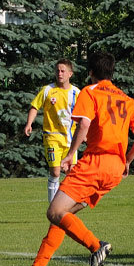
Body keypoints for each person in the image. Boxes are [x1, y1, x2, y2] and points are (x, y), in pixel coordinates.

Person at [17, 51, 134, 266]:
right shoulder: (126, 99)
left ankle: (96, 245)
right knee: (64, 214)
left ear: (90, 72)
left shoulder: (89, 92)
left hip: (94, 163)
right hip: (115, 169)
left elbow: (84, 124)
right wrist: (127, 160)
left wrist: (70, 154)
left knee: (55, 211)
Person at [24, 59, 80, 202]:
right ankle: (52, 207)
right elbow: (34, 107)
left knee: (70, 173)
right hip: (52, 137)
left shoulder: (76, 93)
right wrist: (29, 123)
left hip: (71, 139)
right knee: (55, 172)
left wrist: (85, 134)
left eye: (63, 71)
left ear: (70, 74)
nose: (59, 73)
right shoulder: (47, 90)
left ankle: (65, 207)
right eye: (57, 71)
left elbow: (84, 116)